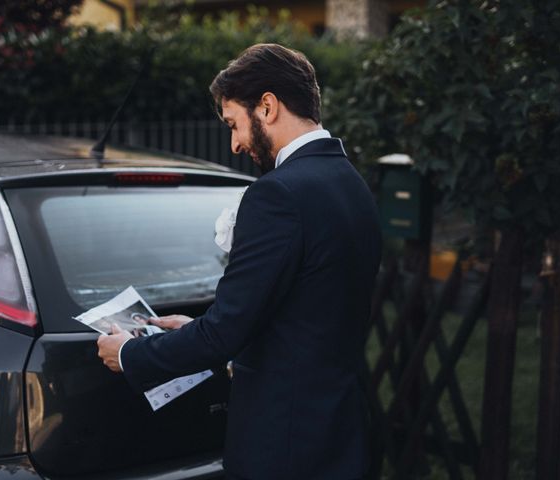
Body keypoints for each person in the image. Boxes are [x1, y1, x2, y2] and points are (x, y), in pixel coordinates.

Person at [97, 43, 382, 480]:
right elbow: (303, 316)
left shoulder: (278, 194)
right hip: (342, 433)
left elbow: (225, 333)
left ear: (267, 106)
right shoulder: (350, 183)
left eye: (234, 124)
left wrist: (132, 354)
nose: (233, 144)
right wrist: (192, 328)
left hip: (285, 448)